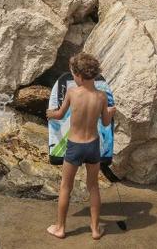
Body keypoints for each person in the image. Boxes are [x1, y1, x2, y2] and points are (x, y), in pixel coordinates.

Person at [46, 53, 116, 240]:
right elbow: (106, 122)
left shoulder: (72, 93)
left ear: (78, 76)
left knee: (65, 187)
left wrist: (50, 114)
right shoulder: (101, 96)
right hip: (93, 146)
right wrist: (110, 112)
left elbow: (60, 115)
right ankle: (95, 229)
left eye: (73, 74)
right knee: (93, 187)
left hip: (75, 147)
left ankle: (60, 228)